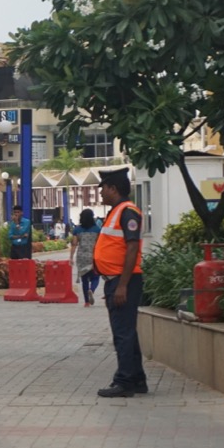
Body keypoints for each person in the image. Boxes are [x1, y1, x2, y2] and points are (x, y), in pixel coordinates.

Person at [93, 168, 147, 398]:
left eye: (103, 189)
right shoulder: (117, 211)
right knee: (128, 333)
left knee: (122, 334)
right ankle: (137, 380)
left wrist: (122, 285)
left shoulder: (127, 212)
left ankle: (124, 382)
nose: (101, 194)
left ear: (113, 188)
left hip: (124, 281)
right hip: (116, 281)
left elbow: (132, 247)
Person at [69, 208, 101, 306]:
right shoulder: (97, 229)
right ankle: (92, 289)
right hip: (93, 256)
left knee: (84, 279)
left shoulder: (77, 229)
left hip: (81, 256)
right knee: (96, 276)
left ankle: (86, 302)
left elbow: (74, 244)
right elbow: (100, 243)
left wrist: (71, 257)